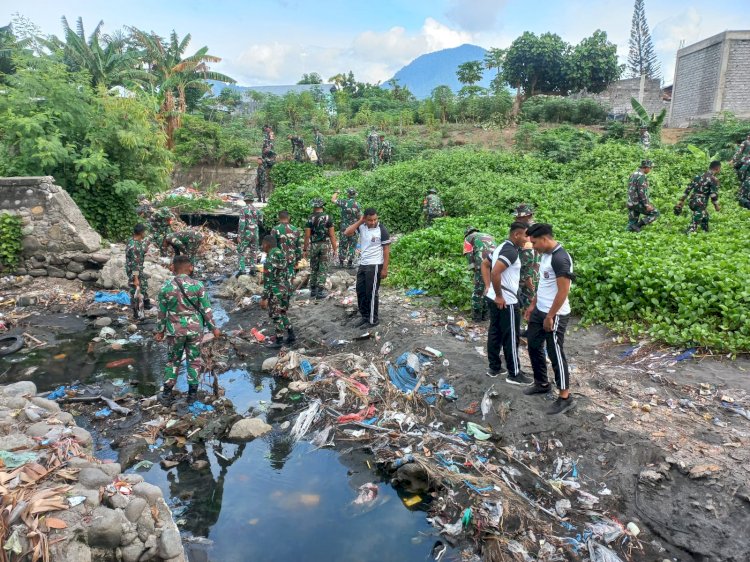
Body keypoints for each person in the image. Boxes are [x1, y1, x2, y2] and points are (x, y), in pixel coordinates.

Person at [522, 223, 575, 415]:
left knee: (555, 353)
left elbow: (563, 291)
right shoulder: (545, 254)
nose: (533, 247)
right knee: (533, 345)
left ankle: (565, 397)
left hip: (556, 314)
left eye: (534, 243)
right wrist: (533, 304)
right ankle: (542, 383)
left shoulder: (560, 259)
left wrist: (550, 316)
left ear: (545, 239)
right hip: (540, 310)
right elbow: (543, 283)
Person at [155, 255, 220, 403]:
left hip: (174, 330)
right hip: (195, 330)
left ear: (173, 268)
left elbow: (161, 312)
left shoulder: (166, 286)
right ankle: (192, 395)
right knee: (194, 360)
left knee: (172, 361)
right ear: (190, 268)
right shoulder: (198, 285)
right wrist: (214, 328)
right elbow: (206, 310)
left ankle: (166, 394)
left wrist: (160, 331)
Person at [481, 222, 532, 385]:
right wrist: (499, 295)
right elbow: (495, 271)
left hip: (494, 297)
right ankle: (514, 373)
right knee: (511, 336)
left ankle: (494, 367)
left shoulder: (502, 246)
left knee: (495, 332)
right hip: (506, 301)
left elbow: (485, 264)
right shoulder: (510, 251)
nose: (527, 239)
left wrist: (488, 287)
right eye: (525, 235)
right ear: (516, 235)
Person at [344, 208, 391, 328]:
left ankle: (373, 320)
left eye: (375, 219)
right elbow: (347, 232)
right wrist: (360, 222)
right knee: (360, 291)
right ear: (365, 218)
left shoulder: (382, 229)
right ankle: (364, 316)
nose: (373, 222)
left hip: (375, 265)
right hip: (363, 264)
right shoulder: (362, 227)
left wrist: (384, 269)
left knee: (371, 293)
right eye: (370, 220)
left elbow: (386, 250)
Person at [260, 235, 294, 348]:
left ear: (266, 244)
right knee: (283, 312)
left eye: (262, 244)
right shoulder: (281, 254)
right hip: (286, 288)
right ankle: (291, 334)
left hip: (275, 290)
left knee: (275, 315)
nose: (262, 246)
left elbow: (268, 280)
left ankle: (279, 340)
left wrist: (264, 298)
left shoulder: (269, 259)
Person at [513, 204, 540, 335]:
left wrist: (527, 276)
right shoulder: (531, 228)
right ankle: (528, 328)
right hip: (527, 269)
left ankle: (532, 329)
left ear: (528, 216)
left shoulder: (531, 230)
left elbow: (529, 254)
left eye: (520, 217)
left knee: (529, 299)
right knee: (526, 299)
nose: (517, 219)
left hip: (529, 271)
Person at [304, 198, 337, 300]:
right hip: (325, 245)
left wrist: (305, 249)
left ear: (314, 206)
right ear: (322, 206)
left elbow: (307, 236)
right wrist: (335, 248)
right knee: (323, 267)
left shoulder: (310, 218)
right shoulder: (328, 218)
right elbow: (332, 235)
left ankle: (313, 290)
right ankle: (320, 291)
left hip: (314, 245)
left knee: (314, 266)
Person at [674, 161, 721, 233]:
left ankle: (705, 232)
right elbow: (713, 195)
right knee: (694, 225)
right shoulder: (713, 179)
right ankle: (686, 234)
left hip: (692, 201)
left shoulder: (698, 176)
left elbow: (688, 189)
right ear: (718, 169)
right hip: (700, 203)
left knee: (705, 216)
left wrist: (681, 200)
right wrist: (716, 206)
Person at [463, 226, 495, 322]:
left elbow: (469, 256)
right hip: (495, 262)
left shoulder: (468, 238)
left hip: (482, 263)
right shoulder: (489, 236)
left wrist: (475, 272)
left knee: (478, 290)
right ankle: (486, 315)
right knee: (488, 288)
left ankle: (476, 316)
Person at [125, 223, 151, 319]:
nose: (145, 234)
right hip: (135, 271)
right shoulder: (136, 247)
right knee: (137, 290)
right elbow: (135, 265)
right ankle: (138, 314)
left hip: (133, 269)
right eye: (144, 232)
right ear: (141, 232)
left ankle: (143, 308)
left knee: (143, 287)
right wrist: (135, 278)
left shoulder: (131, 241)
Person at [627, 159, 659, 232]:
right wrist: (646, 205)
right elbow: (641, 192)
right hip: (637, 202)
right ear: (646, 167)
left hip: (630, 202)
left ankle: (629, 232)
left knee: (632, 221)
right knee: (655, 213)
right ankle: (637, 226)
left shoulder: (633, 174)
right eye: (650, 168)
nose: (650, 170)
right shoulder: (641, 176)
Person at [332, 188, 361, 268]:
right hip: (354, 228)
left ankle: (341, 263)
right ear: (355, 195)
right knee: (352, 245)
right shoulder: (357, 205)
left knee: (342, 245)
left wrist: (336, 192)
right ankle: (349, 263)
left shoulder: (343, 202)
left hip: (344, 228)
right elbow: (360, 217)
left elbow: (333, 199)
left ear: (348, 194)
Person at [272, 210, 303, 282]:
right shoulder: (295, 229)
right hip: (291, 258)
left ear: (279, 218)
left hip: (279, 259)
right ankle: (290, 292)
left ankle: (281, 292)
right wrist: (298, 259)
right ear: (288, 217)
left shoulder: (275, 229)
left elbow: (273, 246)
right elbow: (298, 246)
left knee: (279, 278)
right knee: (290, 277)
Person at [237, 198, 262, 276]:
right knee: (254, 251)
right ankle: (253, 270)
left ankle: (242, 269)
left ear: (245, 201)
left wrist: (239, 235)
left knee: (241, 250)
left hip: (246, 232)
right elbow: (260, 221)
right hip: (255, 233)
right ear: (252, 201)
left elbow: (242, 223)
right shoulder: (258, 210)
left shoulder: (243, 210)